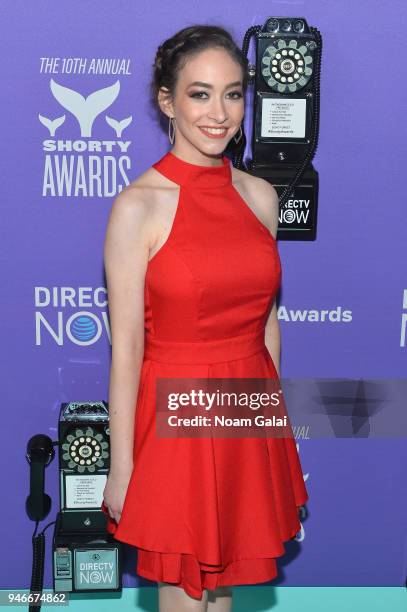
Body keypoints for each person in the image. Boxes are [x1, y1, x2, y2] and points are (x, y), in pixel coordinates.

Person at [101, 23, 309, 612]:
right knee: (188, 594)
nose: (219, 113)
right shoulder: (138, 207)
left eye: (233, 93)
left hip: (247, 407)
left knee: (222, 595)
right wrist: (122, 469)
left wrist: (274, 426)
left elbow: (266, 324)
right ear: (167, 101)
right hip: (176, 417)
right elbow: (127, 350)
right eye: (199, 94)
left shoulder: (260, 196)